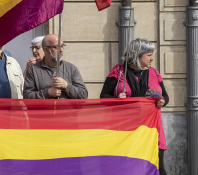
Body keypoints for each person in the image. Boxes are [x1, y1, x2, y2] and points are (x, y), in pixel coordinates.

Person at [99, 38, 168, 175]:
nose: (152, 59)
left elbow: (165, 96)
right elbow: (103, 97)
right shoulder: (118, 72)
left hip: (151, 130)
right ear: (137, 55)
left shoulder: (154, 73)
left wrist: (162, 101)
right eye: (149, 55)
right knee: (126, 167)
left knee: (156, 166)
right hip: (125, 131)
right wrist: (117, 99)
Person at [23, 34, 88, 99]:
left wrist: (66, 86)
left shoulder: (71, 69)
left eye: (62, 46)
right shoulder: (33, 70)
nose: (61, 50)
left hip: (66, 109)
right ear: (46, 49)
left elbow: (83, 95)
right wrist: (47, 93)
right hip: (45, 109)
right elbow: (27, 97)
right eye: (57, 47)